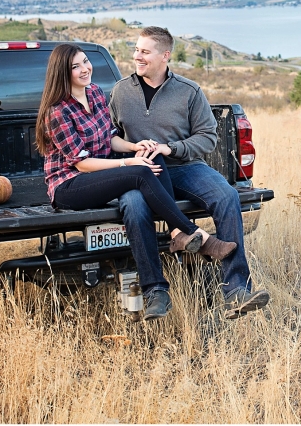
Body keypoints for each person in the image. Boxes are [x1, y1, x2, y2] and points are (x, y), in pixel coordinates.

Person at [36, 43, 237, 320]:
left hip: (99, 175)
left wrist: (135, 148)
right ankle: (191, 233)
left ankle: (179, 238)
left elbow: (109, 138)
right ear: (63, 72)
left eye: (85, 62)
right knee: (140, 170)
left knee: (151, 155)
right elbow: (81, 163)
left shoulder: (94, 93)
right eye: (75, 67)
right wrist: (128, 162)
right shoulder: (57, 111)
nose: (84, 69)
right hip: (69, 185)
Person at [109, 26, 271, 320]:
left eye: (144, 52)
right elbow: (108, 137)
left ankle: (236, 290)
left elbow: (208, 137)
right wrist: (131, 159)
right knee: (133, 206)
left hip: (185, 168)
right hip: (140, 174)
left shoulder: (189, 91)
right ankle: (155, 291)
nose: (137, 57)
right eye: (136, 50)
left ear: (165, 56)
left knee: (226, 195)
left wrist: (172, 148)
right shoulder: (121, 91)